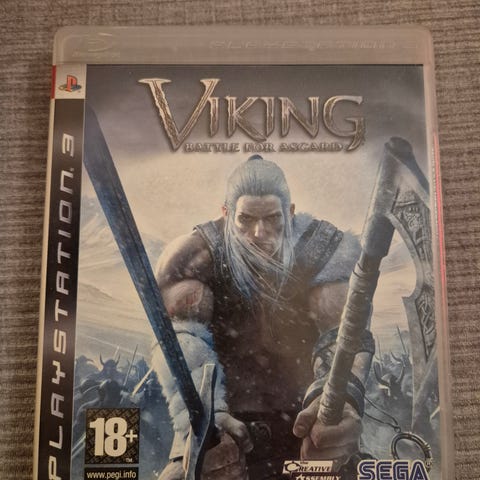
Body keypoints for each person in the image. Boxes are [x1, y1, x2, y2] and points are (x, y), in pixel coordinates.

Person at [151, 156, 374, 479]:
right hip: (217, 431)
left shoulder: (324, 251)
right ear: (226, 213)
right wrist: (205, 422)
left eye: (272, 219)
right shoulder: (194, 259)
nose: (259, 233)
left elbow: (345, 334)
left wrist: (338, 405)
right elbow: (182, 342)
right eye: (245, 219)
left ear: (290, 212)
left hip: (309, 427)